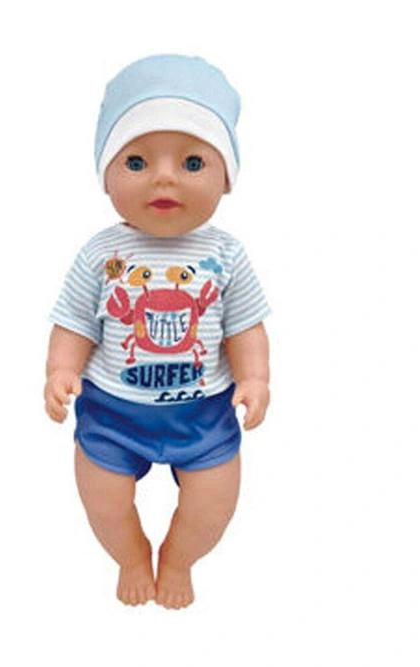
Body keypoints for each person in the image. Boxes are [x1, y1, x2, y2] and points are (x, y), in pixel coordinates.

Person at [44, 54, 271, 609]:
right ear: (106, 174)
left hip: (203, 415)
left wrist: (256, 378)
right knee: (103, 501)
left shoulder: (226, 255)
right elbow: (74, 321)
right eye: (137, 161)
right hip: (112, 416)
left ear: (227, 178)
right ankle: (130, 557)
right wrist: (61, 369)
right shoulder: (102, 255)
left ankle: (178, 558)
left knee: (213, 507)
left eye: (192, 162)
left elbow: (245, 326)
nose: (164, 176)